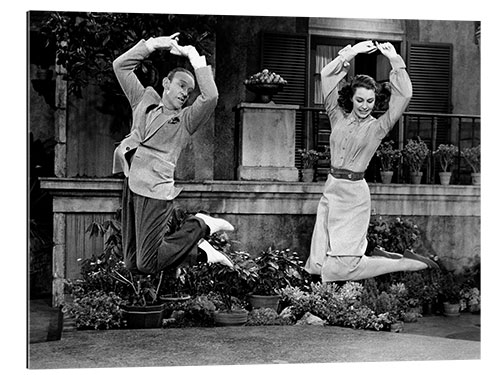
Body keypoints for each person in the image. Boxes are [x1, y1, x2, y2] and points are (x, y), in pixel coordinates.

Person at [305, 40, 438, 282]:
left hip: (355, 197)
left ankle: (403, 263)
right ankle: (381, 259)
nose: (365, 106)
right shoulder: (337, 116)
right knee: (317, 263)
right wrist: (352, 53)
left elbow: (405, 94)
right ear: (351, 99)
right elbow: (326, 75)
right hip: (331, 189)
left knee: (343, 268)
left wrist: (395, 60)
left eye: (370, 101)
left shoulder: (378, 127)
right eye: (360, 100)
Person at [112, 32, 233, 275]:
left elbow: (211, 97)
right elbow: (120, 66)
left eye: (189, 91)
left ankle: (200, 225)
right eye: (180, 85)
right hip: (131, 183)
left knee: (147, 264)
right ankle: (201, 253)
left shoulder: (186, 119)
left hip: (156, 189)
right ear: (166, 84)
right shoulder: (143, 100)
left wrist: (195, 58)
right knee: (133, 263)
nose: (184, 93)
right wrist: (154, 45)